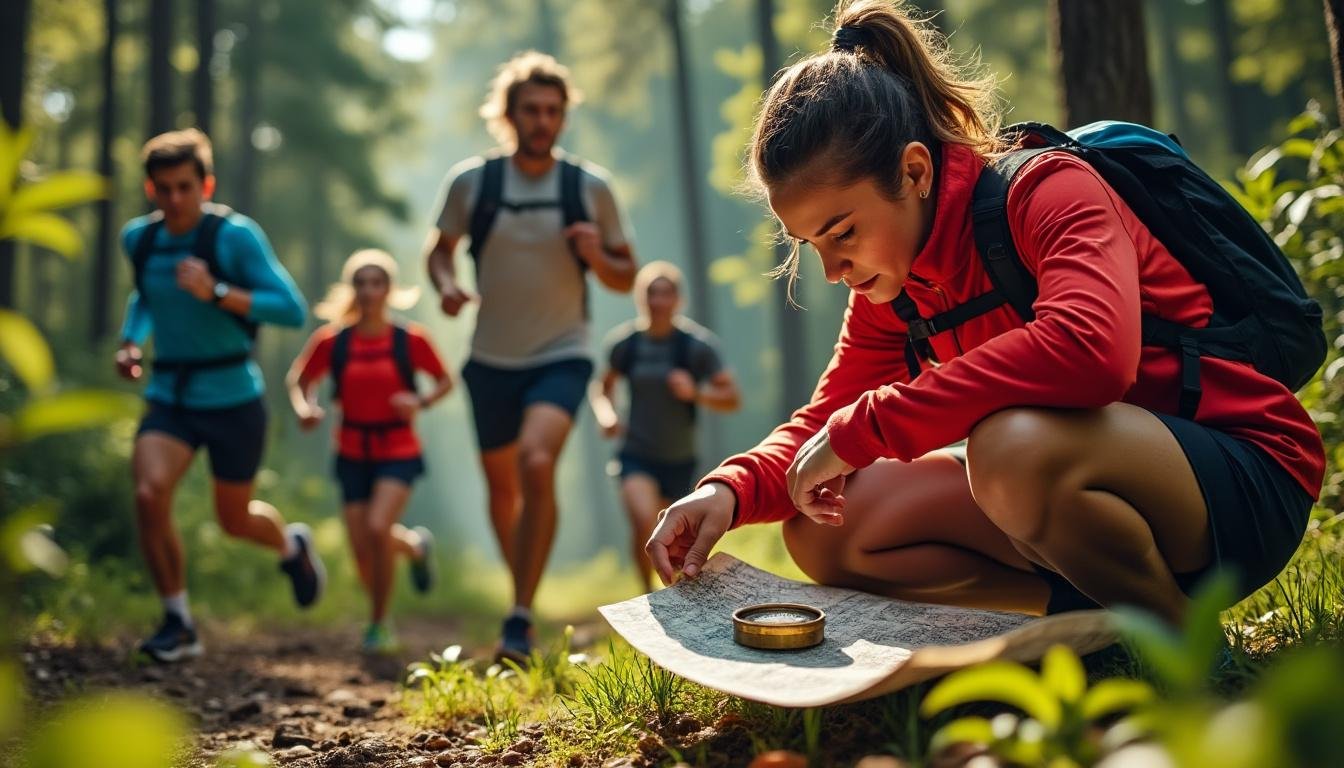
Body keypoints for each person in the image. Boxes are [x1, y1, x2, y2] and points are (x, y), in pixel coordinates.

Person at [646, 0, 1324, 625]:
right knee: (827, 525)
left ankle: (1182, 649)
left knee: (1008, 450)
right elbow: (826, 425)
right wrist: (728, 492)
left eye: (843, 232)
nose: (832, 270)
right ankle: (1080, 630)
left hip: (1241, 479)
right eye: (811, 245)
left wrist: (876, 423)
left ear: (913, 173)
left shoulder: (1046, 190)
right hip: (1075, 505)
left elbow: (1091, 352)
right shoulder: (897, 289)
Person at [424, 52, 637, 660]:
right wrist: (444, 286)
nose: (542, 121)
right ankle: (523, 593)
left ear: (564, 116)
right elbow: (439, 251)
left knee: (536, 462)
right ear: (508, 115)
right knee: (503, 493)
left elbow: (625, 276)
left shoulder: (588, 188)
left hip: (562, 352)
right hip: (490, 358)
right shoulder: (475, 182)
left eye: (553, 110)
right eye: (531, 110)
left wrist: (597, 254)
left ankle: (518, 613)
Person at [116, 128, 322, 662]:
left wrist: (219, 292)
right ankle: (178, 621)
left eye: (185, 187)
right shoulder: (140, 239)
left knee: (234, 520)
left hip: (233, 397)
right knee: (148, 494)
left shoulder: (235, 237)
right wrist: (130, 342)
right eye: (163, 189)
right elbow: (145, 296)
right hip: (171, 395)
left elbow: (290, 308)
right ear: (150, 189)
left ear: (205, 183)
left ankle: (290, 546)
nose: (175, 200)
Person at [287, 249, 453, 653]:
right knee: (361, 544)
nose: (368, 291)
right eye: (360, 282)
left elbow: (446, 381)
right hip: (351, 449)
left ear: (389, 289)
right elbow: (300, 379)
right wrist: (305, 408)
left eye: (376, 282)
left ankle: (379, 623)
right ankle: (414, 548)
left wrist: (420, 403)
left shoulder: (409, 340)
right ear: (351, 289)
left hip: (399, 446)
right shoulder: (333, 341)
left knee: (378, 528)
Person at [590, 261, 740, 592]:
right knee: (644, 520)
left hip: (679, 458)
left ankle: (672, 595)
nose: (658, 301)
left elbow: (731, 397)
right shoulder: (625, 344)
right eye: (651, 293)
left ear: (678, 299)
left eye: (665, 293)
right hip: (636, 452)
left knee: (670, 535)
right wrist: (607, 416)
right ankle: (645, 598)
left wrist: (695, 392)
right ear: (640, 299)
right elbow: (602, 388)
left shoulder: (697, 346)